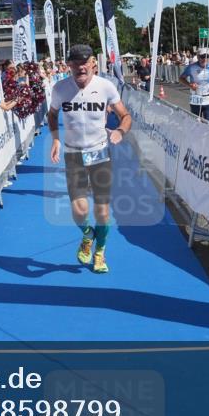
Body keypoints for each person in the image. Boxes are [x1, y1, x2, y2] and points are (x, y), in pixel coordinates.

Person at [48, 44, 131, 274]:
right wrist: (55, 139)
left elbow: (125, 116)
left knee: (102, 212)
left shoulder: (106, 86)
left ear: (93, 63)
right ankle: (87, 235)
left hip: (100, 153)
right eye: (75, 64)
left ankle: (100, 252)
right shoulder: (60, 88)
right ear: (69, 66)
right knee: (79, 210)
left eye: (84, 63)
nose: (81, 67)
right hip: (73, 154)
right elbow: (52, 114)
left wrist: (120, 131)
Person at [179, 48, 209, 122]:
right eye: (202, 57)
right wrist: (190, 85)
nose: (205, 59)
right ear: (198, 57)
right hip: (196, 99)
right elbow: (181, 78)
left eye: (207, 56)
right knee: (196, 123)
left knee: (208, 123)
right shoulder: (191, 67)